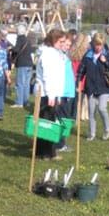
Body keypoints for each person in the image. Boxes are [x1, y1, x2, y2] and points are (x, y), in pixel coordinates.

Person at [35, 28, 68, 159]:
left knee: (50, 123)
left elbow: (58, 76)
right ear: (54, 40)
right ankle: (46, 152)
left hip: (53, 93)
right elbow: (48, 76)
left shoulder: (55, 53)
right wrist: (51, 95)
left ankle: (47, 151)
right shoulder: (48, 54)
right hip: (46, 94)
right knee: (46, 125)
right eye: (61, 41)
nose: (63, 44)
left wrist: (58, 94)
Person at [78, 32, 109, 141]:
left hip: (104, 87)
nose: (98, 47)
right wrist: (78, 82)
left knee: (102, 108)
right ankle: (92, 133)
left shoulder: (107, 55)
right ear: (93, 43)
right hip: (90, 87)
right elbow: (81, 70)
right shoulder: (88, 55)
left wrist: (106, 62)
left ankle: (107, 129)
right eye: (96, 44)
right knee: (91, 112)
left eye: (101, 45)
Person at [10, 24, 34, 107]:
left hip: (22, 64)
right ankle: (26, 101)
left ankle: (19, 102)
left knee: (20, 83)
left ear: (18, 31)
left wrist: (11, 49)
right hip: (29, 64)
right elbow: (31, 50)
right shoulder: (27, 39)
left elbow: (16, 49)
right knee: (26, 84)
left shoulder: (19, 39)